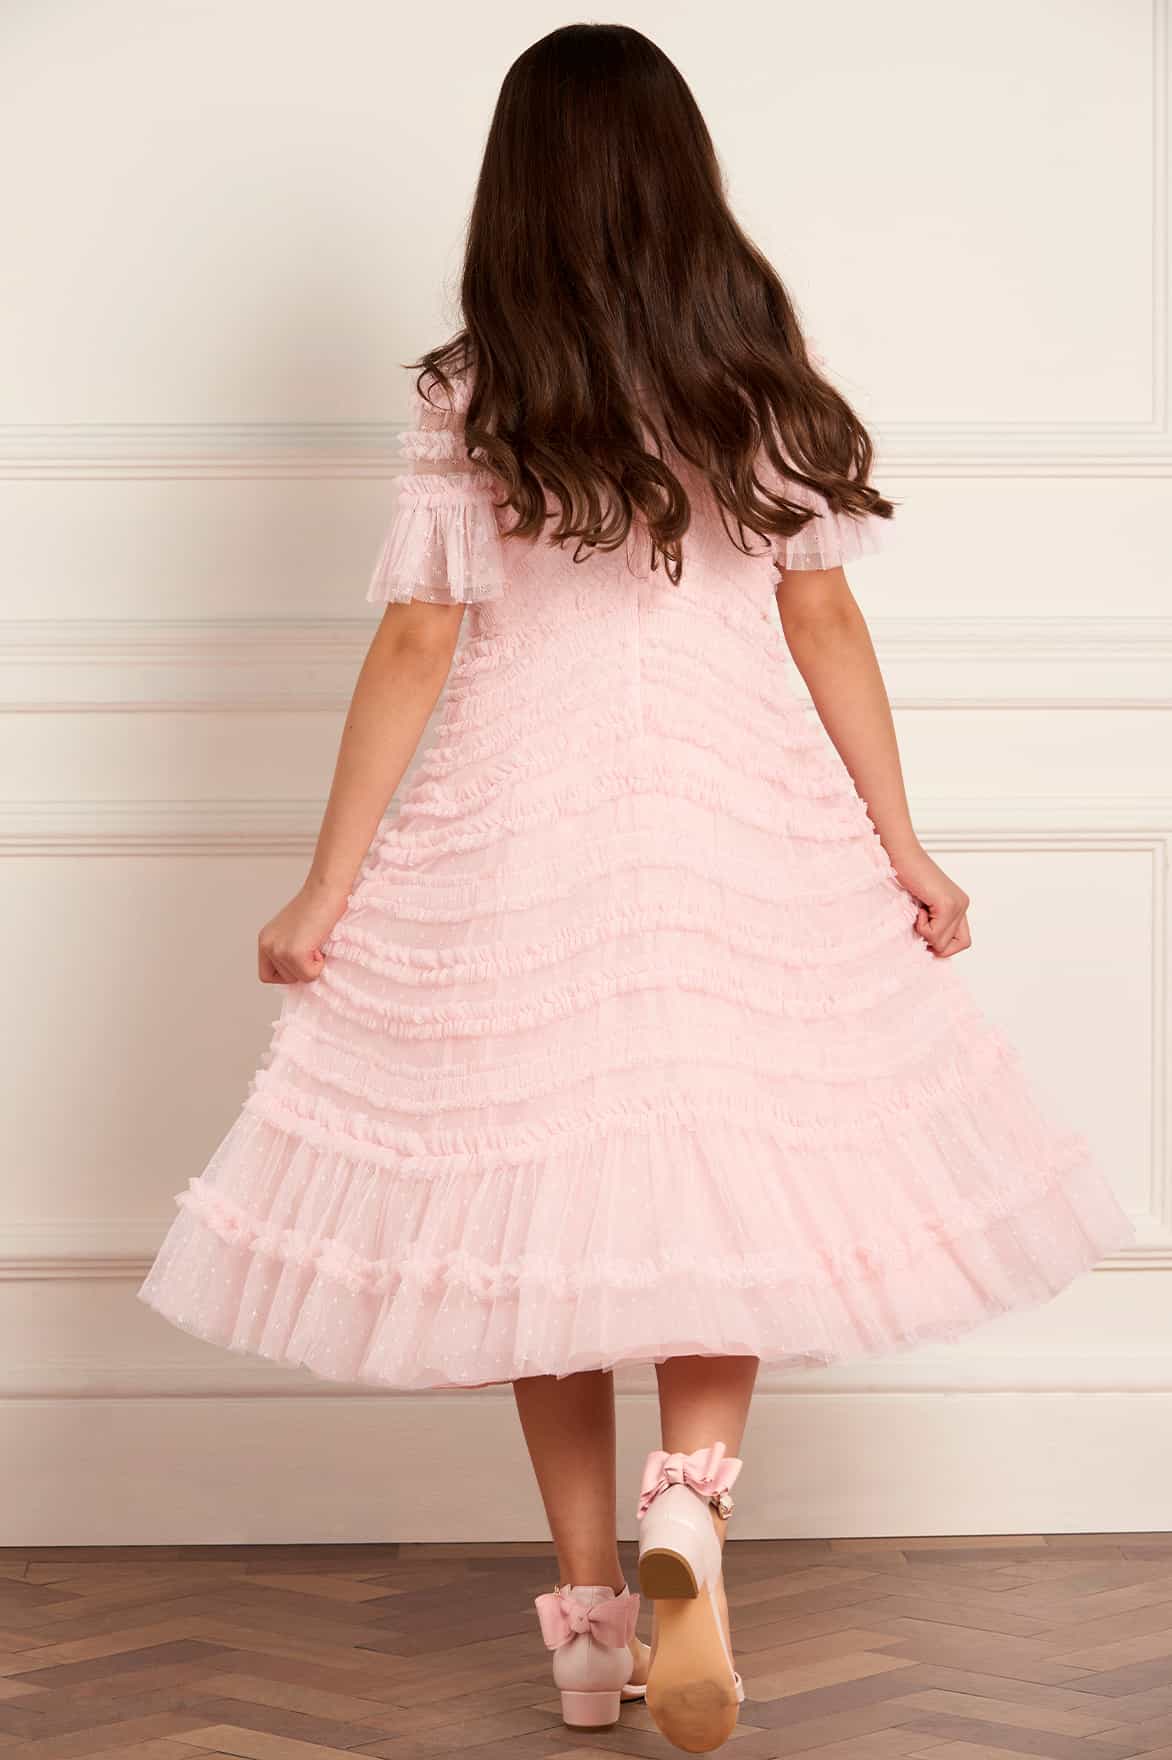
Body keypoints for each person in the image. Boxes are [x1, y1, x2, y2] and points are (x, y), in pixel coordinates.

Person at [136, 22, 1135, 1755]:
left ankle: (593, 1631)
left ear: (516, 187)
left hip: (517, 825)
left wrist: (325, 885)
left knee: (537, 1225)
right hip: (740, 820)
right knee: (717, 1205)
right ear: (685, 168)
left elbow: (416, 641)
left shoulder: (480, 383)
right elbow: (824, 614)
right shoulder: (752, 360)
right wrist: (903, 844)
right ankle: (695, 1503)